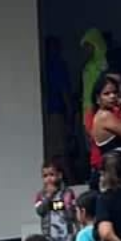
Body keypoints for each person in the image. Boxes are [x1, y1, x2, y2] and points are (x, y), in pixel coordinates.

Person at [89, 75, 121, 189]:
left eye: (115, 93)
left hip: (119, 171)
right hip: (115, 174)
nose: (112, 96)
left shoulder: (106, 114)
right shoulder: (105, 116)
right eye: (106, 94)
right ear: (98, 99)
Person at [34, 159, 78, 241]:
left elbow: (71, 213)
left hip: (67, 240)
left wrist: (62, 204)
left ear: (60, 175)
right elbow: (40, 211)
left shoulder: (68, 193)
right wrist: (49, 197)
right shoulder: (41, 195)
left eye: (51, 175)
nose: (48, 179)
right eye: (45, 176)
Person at [43, 36, 73, 170]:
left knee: (54, 151)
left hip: (49, 113)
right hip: (57, 112)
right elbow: (64, 90)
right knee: (61, 151)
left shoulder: (44, 66)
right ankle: (71, 180)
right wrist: (70, 110)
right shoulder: (58, 65)